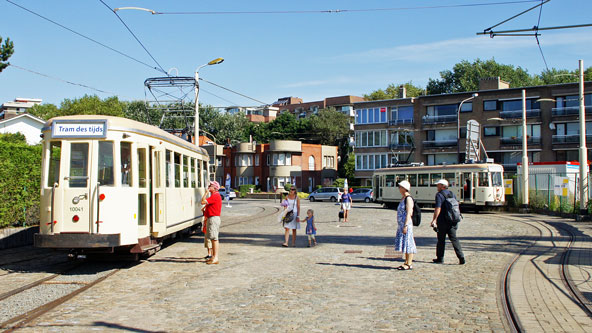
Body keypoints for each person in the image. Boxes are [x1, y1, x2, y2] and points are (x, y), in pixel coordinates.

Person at [430, 179, 465, 265]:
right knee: (454, 239)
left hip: (442, 221)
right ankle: (461, 257)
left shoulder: (439, 195)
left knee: (441, 240)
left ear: (442, 186)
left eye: (438, 185)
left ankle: (440, 258)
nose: (437, 187)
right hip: (453, 220)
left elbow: (438, 208)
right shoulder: (452, 194)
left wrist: (434, 219)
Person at [394, 180, 417, 270]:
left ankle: (409, 263)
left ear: (404, 188)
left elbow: (409, 212)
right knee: (405, 243)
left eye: (400, 187)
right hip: (402, 224)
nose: (399, 189)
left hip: (406, 224)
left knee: (409, 243)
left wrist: (406, 225)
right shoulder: (403, 198)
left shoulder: (408, 198)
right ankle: (406, 262)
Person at [201, 181, 222, 264]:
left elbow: (202, 201)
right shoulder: (214, 196)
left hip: (213, 218)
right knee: (213, 238)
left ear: (215, 188)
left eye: (210, 186)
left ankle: (215, 257)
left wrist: (206, 193)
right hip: (212, 218)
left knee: (214, 238)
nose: (209, 187)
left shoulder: (215, 196)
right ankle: (213, 256)